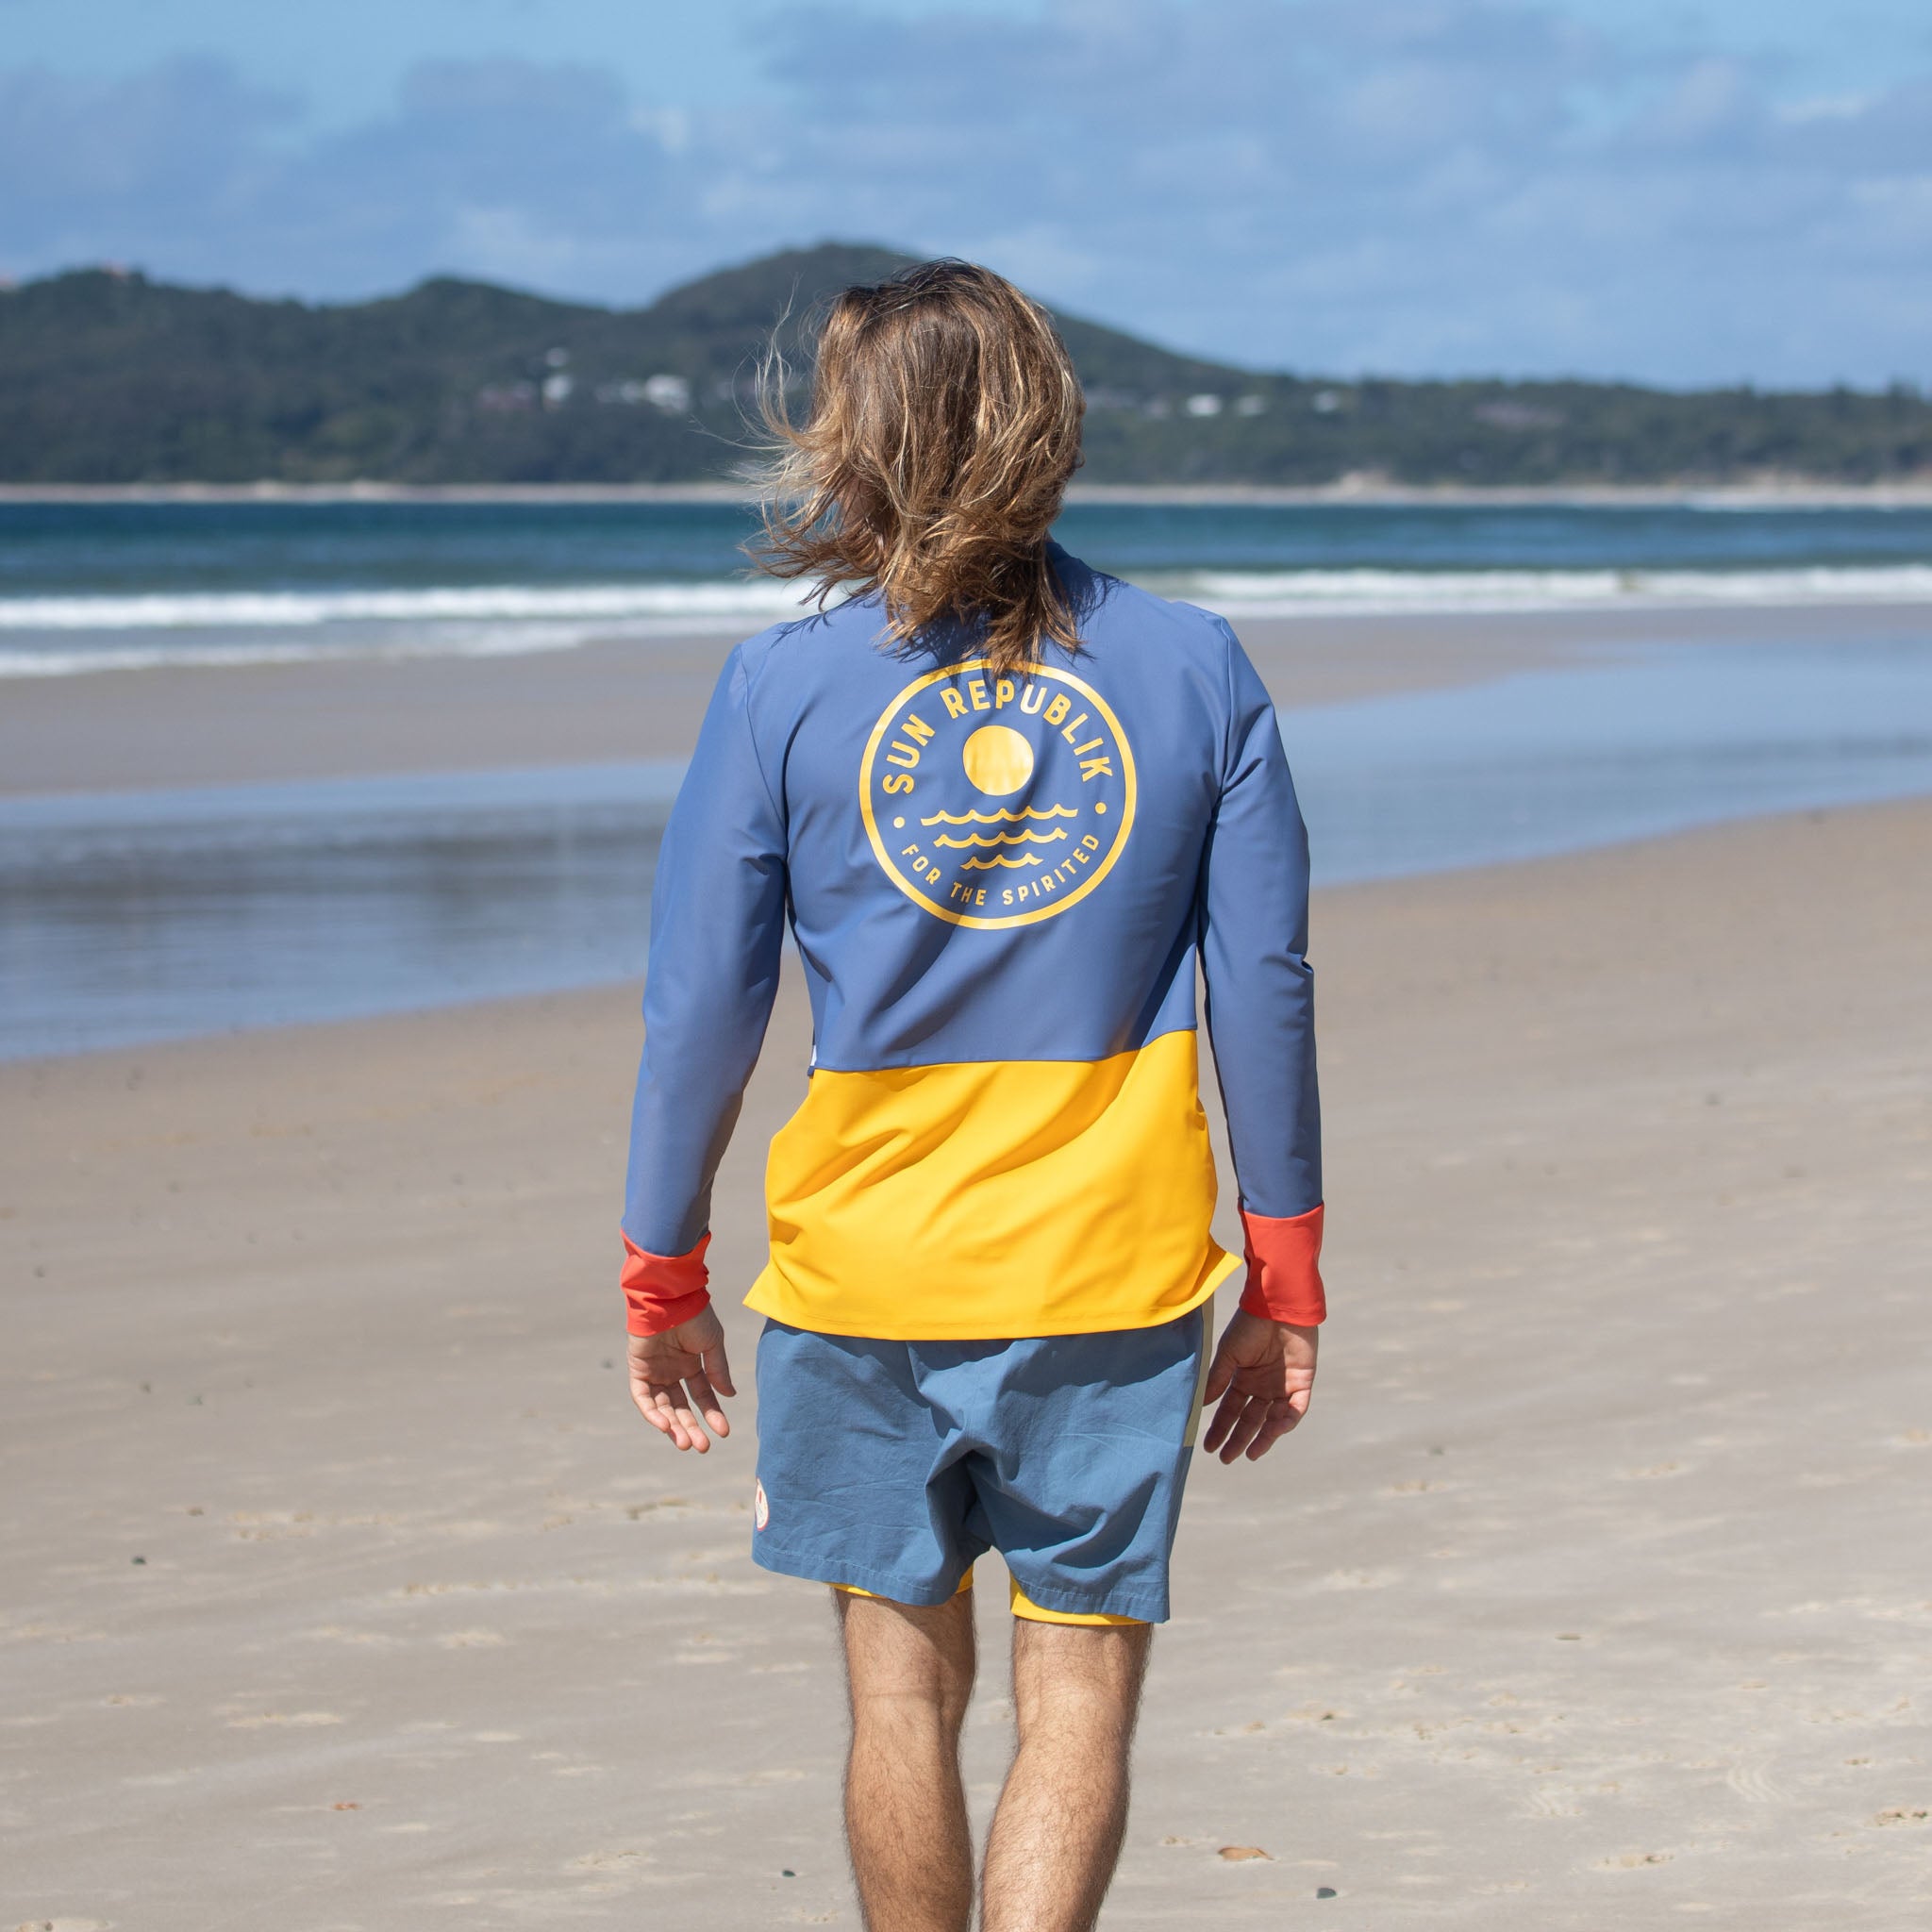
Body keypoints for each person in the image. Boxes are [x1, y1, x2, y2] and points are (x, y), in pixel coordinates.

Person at [619, 259, 1324, 1932]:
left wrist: (662, 1272)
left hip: (865, 1272)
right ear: (1045, 421)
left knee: (897, 1699)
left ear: (853, 441)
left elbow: (702, 1004)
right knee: (1075, 1698)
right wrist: (1284, 1279)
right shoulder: (1195, 666)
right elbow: (1266, 984)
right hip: (1109, 1269)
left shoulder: (781, 687)